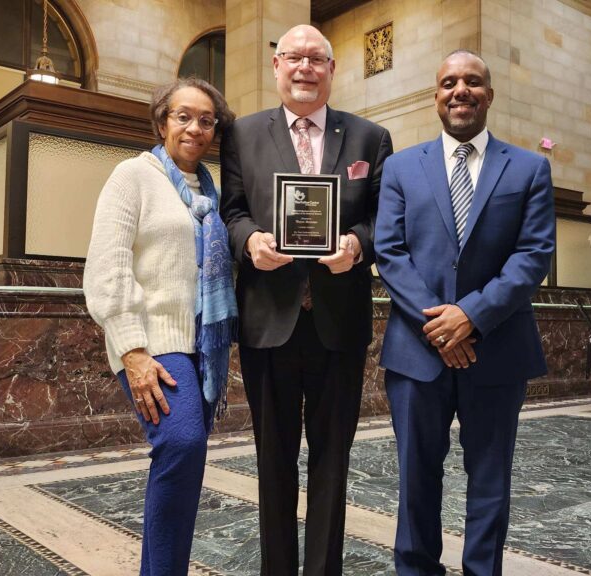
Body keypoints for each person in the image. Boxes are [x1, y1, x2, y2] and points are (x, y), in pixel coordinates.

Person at [220, 24, 393, 576]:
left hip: (338, 325)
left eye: (316, 59)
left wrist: (357, 246)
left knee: (332, 463)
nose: (304, 68)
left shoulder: (369, 138)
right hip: (268, 323)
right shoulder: (242, 135)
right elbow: (232, 210)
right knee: (272, 464)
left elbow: (381, 220)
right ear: (276, 67)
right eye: (293, 57)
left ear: (331, 70)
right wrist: (248, 241)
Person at [374, 50, 555, 576]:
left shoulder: (529, 168)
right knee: (416, 483)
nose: (460, 90)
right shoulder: (403, 167)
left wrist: (470, 317)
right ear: (435, 96)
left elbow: (532, 256)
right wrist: (442, 325)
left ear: (489, 95)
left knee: (491, 484)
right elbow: (390, 252)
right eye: (448, 82)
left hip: (497, 351)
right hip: (417, 352)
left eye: (472, 82)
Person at [83, 77, 237, 576]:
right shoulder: (133, 176)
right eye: (183, 116)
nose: (195, 128)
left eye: (206, 120)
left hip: (200, 347)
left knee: (183, 461)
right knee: (182, 443)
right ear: (161, 122)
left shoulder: (211, 192)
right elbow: (107, 268)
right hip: (153, 343)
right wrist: (133, 351)